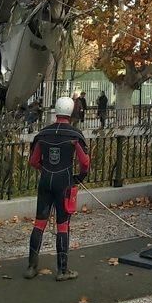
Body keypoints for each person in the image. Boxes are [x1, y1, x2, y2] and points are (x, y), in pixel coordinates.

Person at [24, 95, 90, 281]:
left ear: (56, 112)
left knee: (39, 223)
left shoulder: (43, 134)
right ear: (71, 112)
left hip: (46, 180)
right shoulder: (75, 135)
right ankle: (62, 270)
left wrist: (44, 169)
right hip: (65, 181)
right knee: (63, 225)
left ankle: (31, 267)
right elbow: (85, 163)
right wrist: (79, 177)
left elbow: (33, 161)